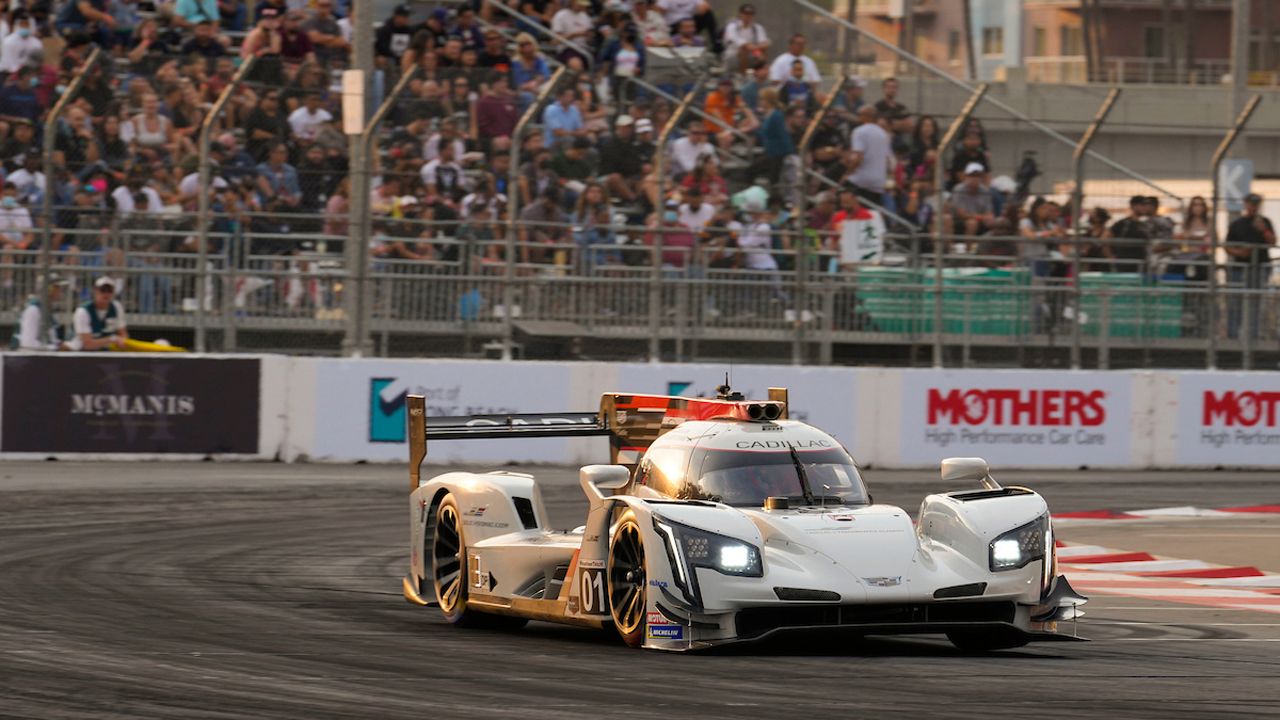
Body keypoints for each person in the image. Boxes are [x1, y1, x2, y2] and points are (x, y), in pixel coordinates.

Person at [1224, 193, 1275, 340]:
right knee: (1235, 302)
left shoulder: (1265, 222)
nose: (1253, 207)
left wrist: (1263, 230)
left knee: (1256, 302)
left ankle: (1253, 335)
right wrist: (1240, 252)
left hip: (1260, 267)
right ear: (1245, 204)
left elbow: (1272, 242)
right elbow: (1227, 246)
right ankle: (1232, 335)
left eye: (1256, 204)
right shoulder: (1237, 223)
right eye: (1251, 204)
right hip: (1240, 268)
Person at [844, 105, 891, 207]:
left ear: (865, 116)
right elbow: (887, 159)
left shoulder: (859, 131)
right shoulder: (884, 134)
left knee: (842, 195)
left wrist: (847, 173)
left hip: (861, 180)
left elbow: (857, 158)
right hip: (878, 183)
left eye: (859, 115)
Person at [15, 274, 72, 351]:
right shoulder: (33, 310)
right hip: (23, 359)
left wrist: (61, 344)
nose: (60, 291)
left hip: (39, 358)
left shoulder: (45, 309)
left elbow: (51, 338)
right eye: (56, 287)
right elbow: (27, 343)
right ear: (48, 289)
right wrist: (55, 348)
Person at [74, 277, 129, 351]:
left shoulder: (117, 307)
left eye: (109, 291)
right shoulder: (83, 311)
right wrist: (112, 339)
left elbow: (123, 334)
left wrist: (122, 341)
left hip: (107, 352)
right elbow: (87, 344)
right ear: (95, 291)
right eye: (103, 290)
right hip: (82, 353)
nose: (106, 294)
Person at [720, 3, 769, 72]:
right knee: (743, 51)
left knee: (763, 52)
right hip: (733, 55)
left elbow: (765, 43)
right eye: (745, 14)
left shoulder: (757, 28)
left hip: (753, 53)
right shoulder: (732, 27)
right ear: (740, 14)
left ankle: (761, 75)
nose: (748, 16)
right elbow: (744, 45)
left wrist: (758, 51)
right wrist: (757, 49)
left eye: (750, 14)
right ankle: (743, 77)